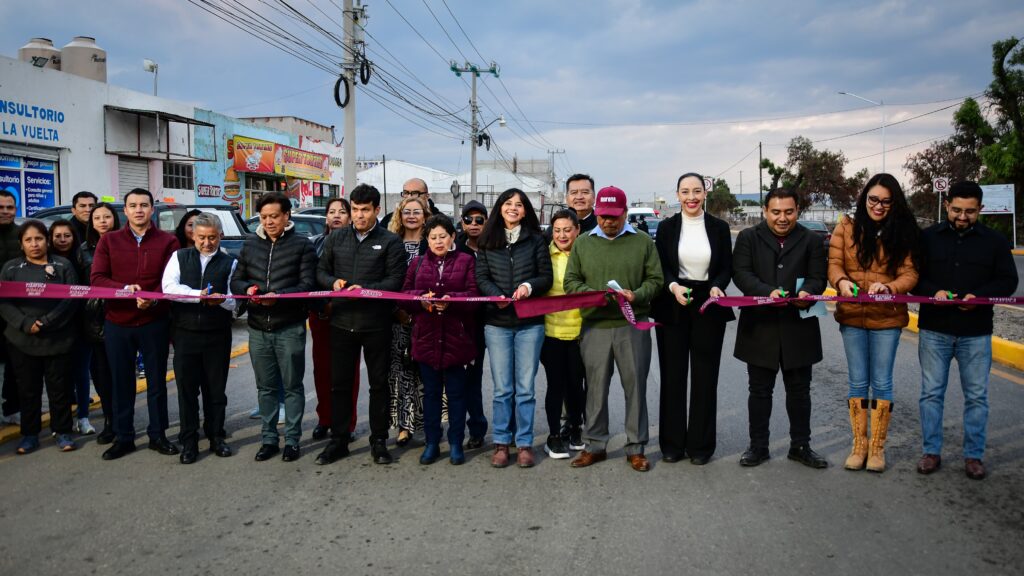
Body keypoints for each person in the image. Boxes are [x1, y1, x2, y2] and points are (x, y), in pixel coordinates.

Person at [914, 181, 1018, 480]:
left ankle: (974, 456)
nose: (962, 216)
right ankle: (931, 452)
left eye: (970, 211)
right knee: (931, 394)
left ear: (980, 210)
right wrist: (935, 291)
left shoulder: (996, 242)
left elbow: (1007, 281)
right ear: (947, 205)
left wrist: (980, 296)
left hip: (976, 332)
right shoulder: (927, 238)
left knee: (977, 396)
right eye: (957, 209)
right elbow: (914, 277)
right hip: (935, 329)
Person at [564, 186, 664, 472]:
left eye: (615, 216)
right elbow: (571, 282)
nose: (608, 222)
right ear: (596, 213)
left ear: (625, 213)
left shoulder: (643, 242)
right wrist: (593, 294)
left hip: (632, 325)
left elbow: (655, 280)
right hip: (595, 325)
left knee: (635, 387)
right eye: (603, 216)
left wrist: (637, 294)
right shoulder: (583, 243)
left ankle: (636, 447)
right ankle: (594, 444)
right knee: (595, 388)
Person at [732, 188, 828, 469]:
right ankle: (758, 446)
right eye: (776, 212)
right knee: (759, 390)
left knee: (800, 391)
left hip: (798, 325)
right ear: (765, 211)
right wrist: (766, 292)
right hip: (760, 325)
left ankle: (801, 445)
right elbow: (741, 273)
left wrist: (808, 292)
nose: (782, 218)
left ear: (798, 210)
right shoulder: (749, 237)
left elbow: (818, 277)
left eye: (789, 211)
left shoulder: (810, 240)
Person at [829, 173, 919, 473]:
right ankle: (859, 446)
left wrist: (891, 288)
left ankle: (878, 449)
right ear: (864, 198)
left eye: (885, 202)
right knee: (857, 381)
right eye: (873, 200)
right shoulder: (846, 226)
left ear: (894, 204)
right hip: (852, 316)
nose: (878, 207)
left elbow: (911, 273)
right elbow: (834, 263)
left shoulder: (904, 232)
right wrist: (841, 282)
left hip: (888, 318)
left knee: (881, 382)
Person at [315, 184, 406, 466]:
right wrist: (333, 283)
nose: (359, 215)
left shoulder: (390, 242)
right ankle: (339, 440)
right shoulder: (336, 239)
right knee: (339, 385)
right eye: (355, 209)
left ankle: (378, 441)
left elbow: (395, 281)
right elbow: (320, 271)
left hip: (376, 324)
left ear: (377, 210)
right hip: (341, 323)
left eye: (365, 210)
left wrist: (363, 288)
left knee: (378, 385)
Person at [90, 188, 180, 461]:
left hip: (154, 320)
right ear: (125, 211)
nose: (139, 210)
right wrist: (125, 289)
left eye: (144, 205)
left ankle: (158, 435)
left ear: (152, 209)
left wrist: (151, 300)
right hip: (118, 322)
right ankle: (124, 436)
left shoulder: (168, 242)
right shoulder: (109, 241)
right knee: (121, 383)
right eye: (133, 205)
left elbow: (170, 281)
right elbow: (97, 279)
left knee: (156, 382)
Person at [652, 173, 735, 465]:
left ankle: (700, 447)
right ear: (677, 195)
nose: (691, 197)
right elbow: (660, 266)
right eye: (685, 191)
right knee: (673, 376)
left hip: (708, 303)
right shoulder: (666, 227)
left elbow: (727, 266)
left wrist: (718, 285)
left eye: (697, 191)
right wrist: (673, 286)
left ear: (705, 194)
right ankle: (672, 444)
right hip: (673, 301)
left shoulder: (720, 228)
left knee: (704, 377)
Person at [230, 192, 317, 463]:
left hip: (289, 326)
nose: (269, 222)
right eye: (264, 217)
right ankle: (268, 439)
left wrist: (278, 295)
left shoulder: (302, 245)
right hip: (257, 327)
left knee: (292, 386)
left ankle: (292, 440)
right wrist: (248, 289)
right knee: (265, 388)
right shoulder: (250, 245)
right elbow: (236, 280)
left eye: (274, 216)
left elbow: (307, 285)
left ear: (286, 216)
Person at [475, 188, 552, 468]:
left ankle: (524, 443)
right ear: (500, 207)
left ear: (525, 210)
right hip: (497, 324)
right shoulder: (487, 240)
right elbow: (481, 276)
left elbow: (546, 276)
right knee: (501, 389)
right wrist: (496, 295)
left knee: (525, 389)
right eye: (508, 203)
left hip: (529, 324)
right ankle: (501, 442)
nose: (514, 208)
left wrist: (527, 287)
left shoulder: (536, 240)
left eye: (519, 205)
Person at [401, 215, 480, 465]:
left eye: (443, 236)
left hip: (457, 337)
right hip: (426, 337)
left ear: (452, 237)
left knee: (457, 394)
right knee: (431, 394)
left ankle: (456, 442)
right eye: (433, 237)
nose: (438, 241)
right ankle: (432, 442)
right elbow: (402, 295)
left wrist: (451, 300)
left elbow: (473, 294)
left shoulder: (467, 261)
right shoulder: (417, 263)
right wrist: (421, 299)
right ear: (427, 239)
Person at [162, 213, 237, 464]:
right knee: (186, 390)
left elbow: (235, 300)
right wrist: (198, 295)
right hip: (185, 334)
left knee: (216, 390)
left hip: (217, 335)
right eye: (202, 237)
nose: (207, 243)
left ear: (221, 236)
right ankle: (189, 440)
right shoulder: (179, 257)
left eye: (212, 238)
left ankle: (216, 436)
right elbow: (169, 289)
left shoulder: (230, 262)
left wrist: (222, 301)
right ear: (192, 235)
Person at [0, 220, 80, 454]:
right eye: (28, 240)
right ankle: (29, 434)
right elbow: (3, 302)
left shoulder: (63, 266)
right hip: (22, 341)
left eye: (38, 239)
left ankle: (63, 431)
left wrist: (47, 322)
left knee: (60, 389)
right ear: (21, 244)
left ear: (46, 241)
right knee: (28, 390)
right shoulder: (11, 269)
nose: (34, 244)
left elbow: (72, 298)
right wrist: (25, 323)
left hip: (58, 338)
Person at [309, 197, 360, 442]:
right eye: (332, 211)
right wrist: (322, 305)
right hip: (320, 314)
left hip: (348, 313)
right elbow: (310, 278)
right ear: (326, 217)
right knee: (322, 370)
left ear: (350, 217)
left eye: (342, 211)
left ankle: (347, 423)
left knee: (348, 372)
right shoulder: (314, 244)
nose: (337, 215)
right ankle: (324, 419)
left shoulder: (355, 244)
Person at [538, 209, 586, 459]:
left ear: (577, 230)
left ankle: (576, 429)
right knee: (555, 385)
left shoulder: (587, 253)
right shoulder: (545, 255)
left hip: (581, 332)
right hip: (551, 332)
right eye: (557, 230)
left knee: (576, 386)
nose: (562, 235)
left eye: (567, 229)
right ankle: (554, 435)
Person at [387, 195, 430, 446]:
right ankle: (404, 425)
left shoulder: (432, 242)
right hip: (396, 318)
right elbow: (387, 281)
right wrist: (397, 311)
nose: (411, 216)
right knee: (400, 371)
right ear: (399, 216)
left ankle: (429, 423)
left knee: (426, 373)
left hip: (426, 317)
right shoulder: (392, 243)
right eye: (407, 212)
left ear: (425, 216)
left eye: (417, 211)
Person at [49, 220, 94, 435]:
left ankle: (83, 417)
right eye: (57, 236)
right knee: (59, 377)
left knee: (81, 373)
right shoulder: (43, 262)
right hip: (55, 326)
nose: (62, 239)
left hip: (80, 323)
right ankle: (61, 421)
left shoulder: (81, 258)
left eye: (67, 235)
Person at [80, 203, 119, 444]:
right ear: (91, 222)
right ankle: (109, 420)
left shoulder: (124, 244)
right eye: (97, 218)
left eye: (107, 216)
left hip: (122, 314)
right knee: (102, 374)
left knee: (121, 372)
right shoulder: (83, 250)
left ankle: (122, 418)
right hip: (95, 318)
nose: (103, 221)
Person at [454, 200, 489, 448]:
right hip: (467, 326)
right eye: (469, 219)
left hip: (498, 322)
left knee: (506, 381)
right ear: (462, 222)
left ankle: (511, 431)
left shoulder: (496, 246)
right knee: (470, 381)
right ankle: (476, 428)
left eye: (479, 219)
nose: (474, 224)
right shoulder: (454, 250)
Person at [0, 189, 21, 426]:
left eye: (9, 207)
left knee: (16, 365)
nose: (5, 211)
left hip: (16, 313)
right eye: (1, 207)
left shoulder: (22, 235)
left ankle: (12, 408)